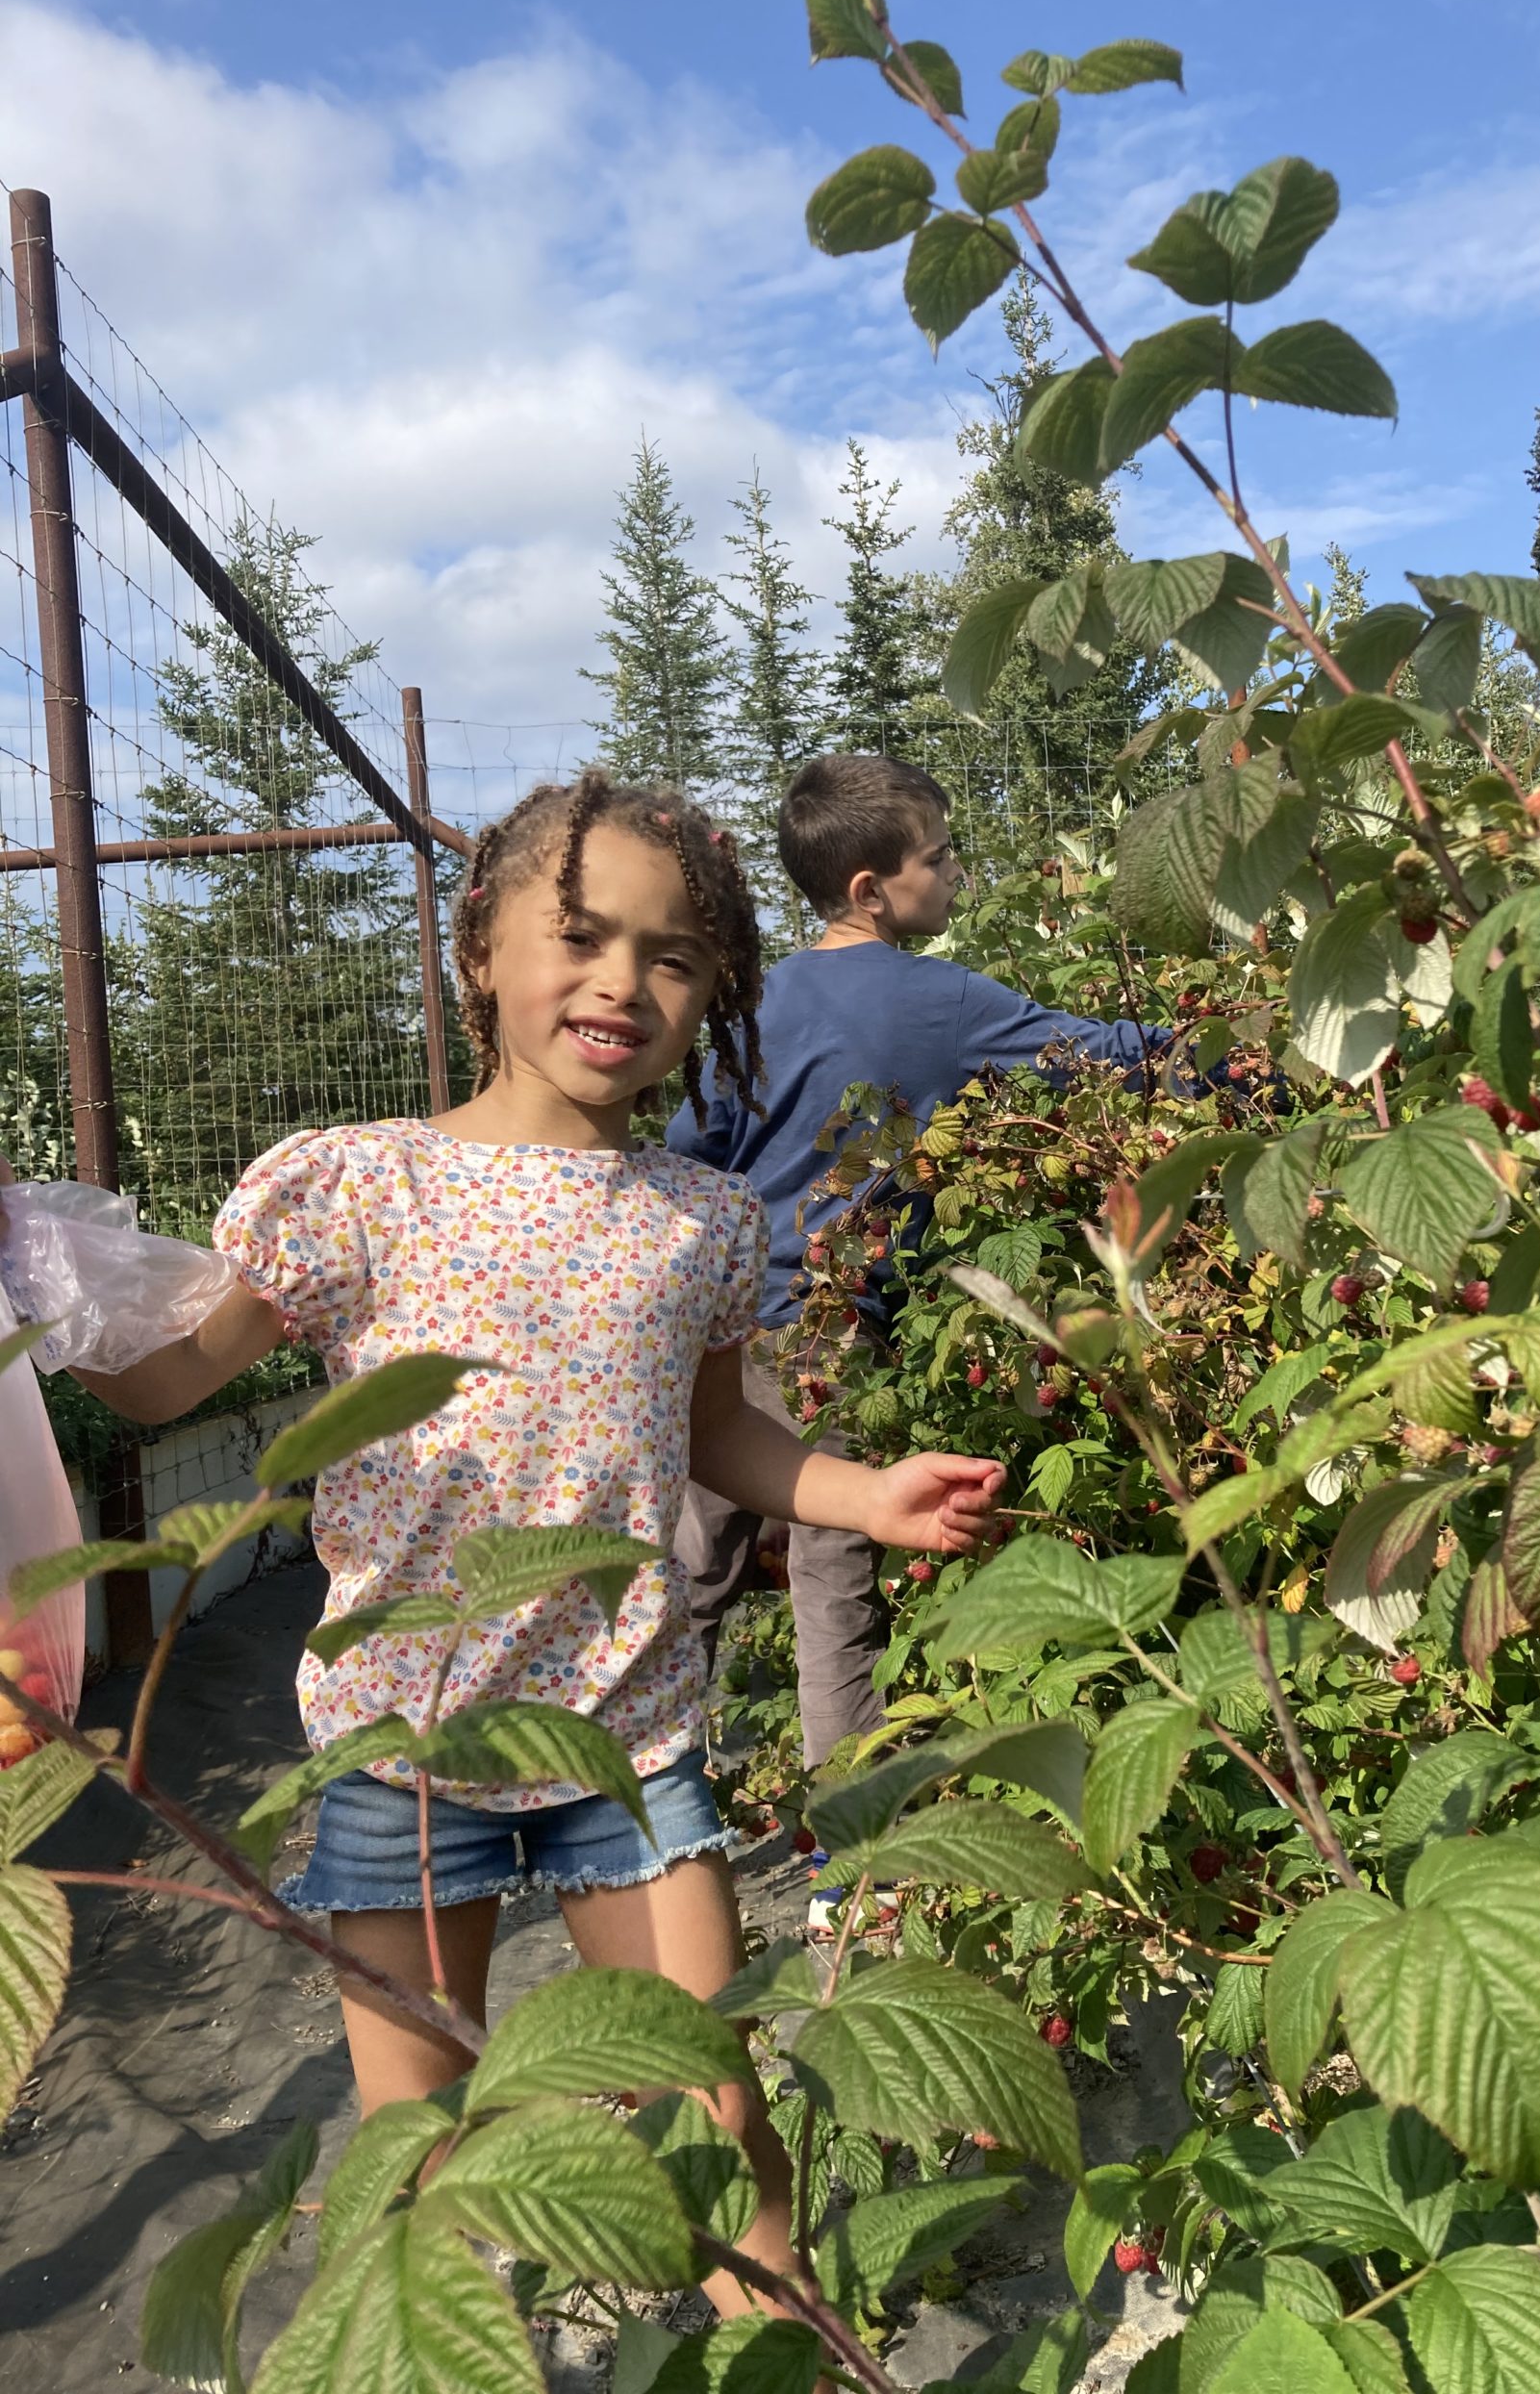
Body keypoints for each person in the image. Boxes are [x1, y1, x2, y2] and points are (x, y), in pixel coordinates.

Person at [13, 774, 1000, 2320]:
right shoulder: (357, 1186)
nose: (624, 982)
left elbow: (714, 1433)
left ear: (715, 989)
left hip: (626, 1732)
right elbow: (165, 1381)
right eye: (583, 936)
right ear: (482, 949)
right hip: (402, 1745)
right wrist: (34, 1276)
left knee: (722, 2115)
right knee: (426, 2155)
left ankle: (773, 2338)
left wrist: (864, 1495)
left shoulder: (701, 1221)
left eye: (673, 957)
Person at [669, 751, 1186, 1775]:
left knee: (695, 1569)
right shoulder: (939, 1000)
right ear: (872, 889)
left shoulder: (751, 1007)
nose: (955, 877)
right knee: (835, 1579)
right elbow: (1100, 1053)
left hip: (722, 1333)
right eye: (939, 859)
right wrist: (1240, 1044)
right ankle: (849, 1838)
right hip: (838, 1339)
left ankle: (639, 1789)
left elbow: (688, 1158)